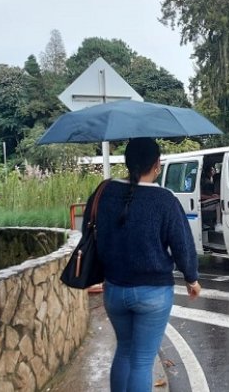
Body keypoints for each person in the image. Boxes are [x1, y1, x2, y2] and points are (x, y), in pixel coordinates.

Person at [85, 137, 201, 392]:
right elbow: (182, 244)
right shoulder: (164, 199)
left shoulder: (105, 191)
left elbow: (90, 230)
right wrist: (192, 279)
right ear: (157, 165)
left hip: (114, 289)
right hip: (153, 293)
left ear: (127, 163)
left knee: (124, 351)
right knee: (142, 361)